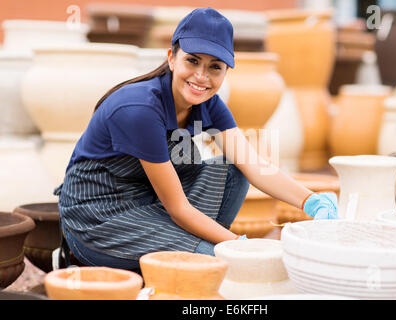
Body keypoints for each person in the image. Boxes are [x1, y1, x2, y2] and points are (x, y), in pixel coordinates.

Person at [53, 7, 338, 272]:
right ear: (171, 58)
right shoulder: (139, 109)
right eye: (192, 60)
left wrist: (311, 201)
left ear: (226, 72)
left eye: (215, 67)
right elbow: (178, 209)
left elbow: (255, 166)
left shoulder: (208, 103)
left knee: (233, 170)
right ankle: (98, 259)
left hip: (149, 204)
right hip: (98, 218)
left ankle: (196, 249)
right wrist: (238, 245)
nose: (201, 77)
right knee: (212, 261)